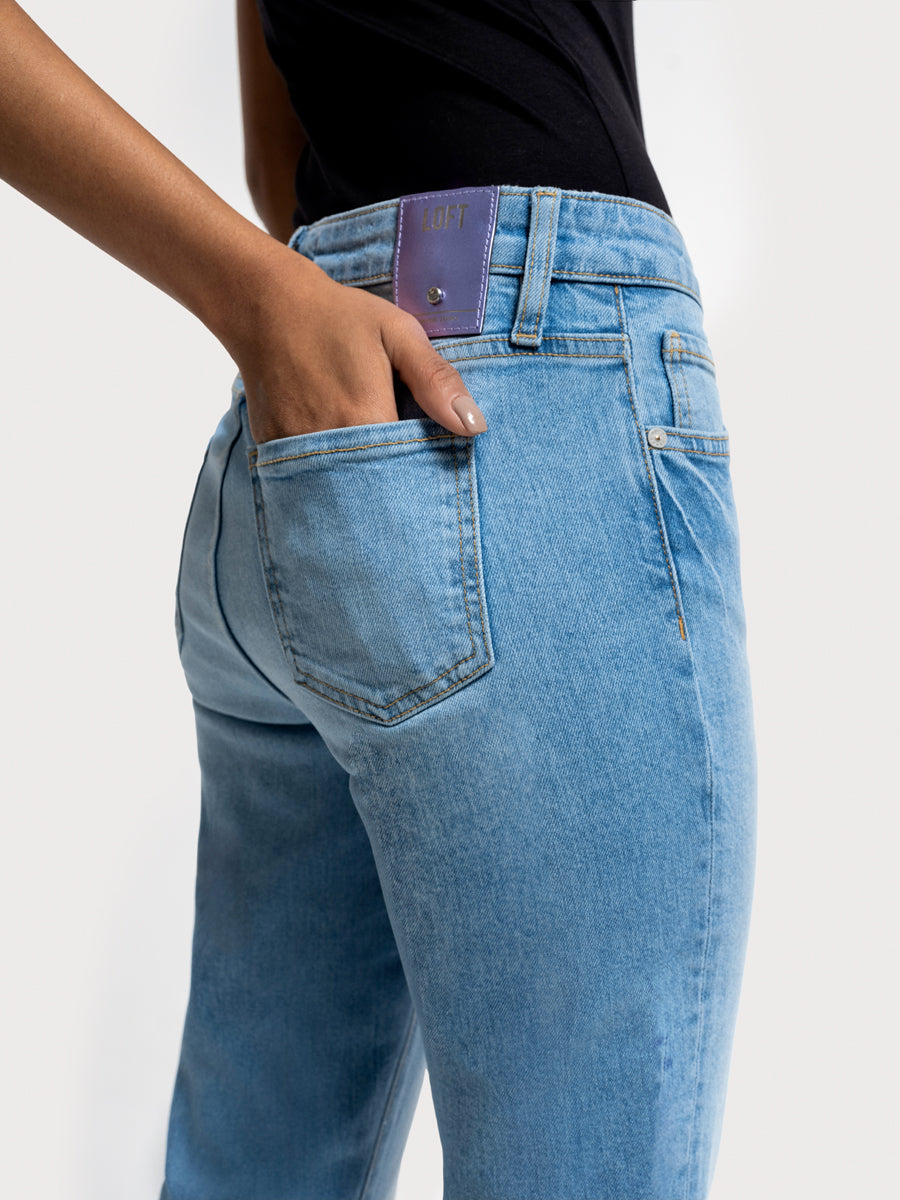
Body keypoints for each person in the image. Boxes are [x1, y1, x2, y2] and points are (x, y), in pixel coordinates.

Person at [1, 2, 758, 1197]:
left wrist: (263, 301)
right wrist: (265, 303)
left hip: (307, 436)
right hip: (522, 394)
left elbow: (284, 167)